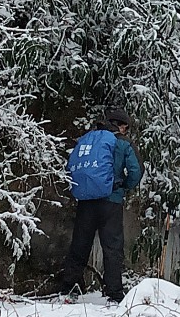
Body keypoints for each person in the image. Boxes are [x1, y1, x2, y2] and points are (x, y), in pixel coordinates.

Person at [59, 106, 143, 304]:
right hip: (110, 201)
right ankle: (113, 293)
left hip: (86, 200)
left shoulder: (88, 139)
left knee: (80, 245)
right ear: (121, 126)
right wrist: (123, 187)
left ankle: (69, 288)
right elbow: (136, 169)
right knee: (112, 247)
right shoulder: (121, 143)